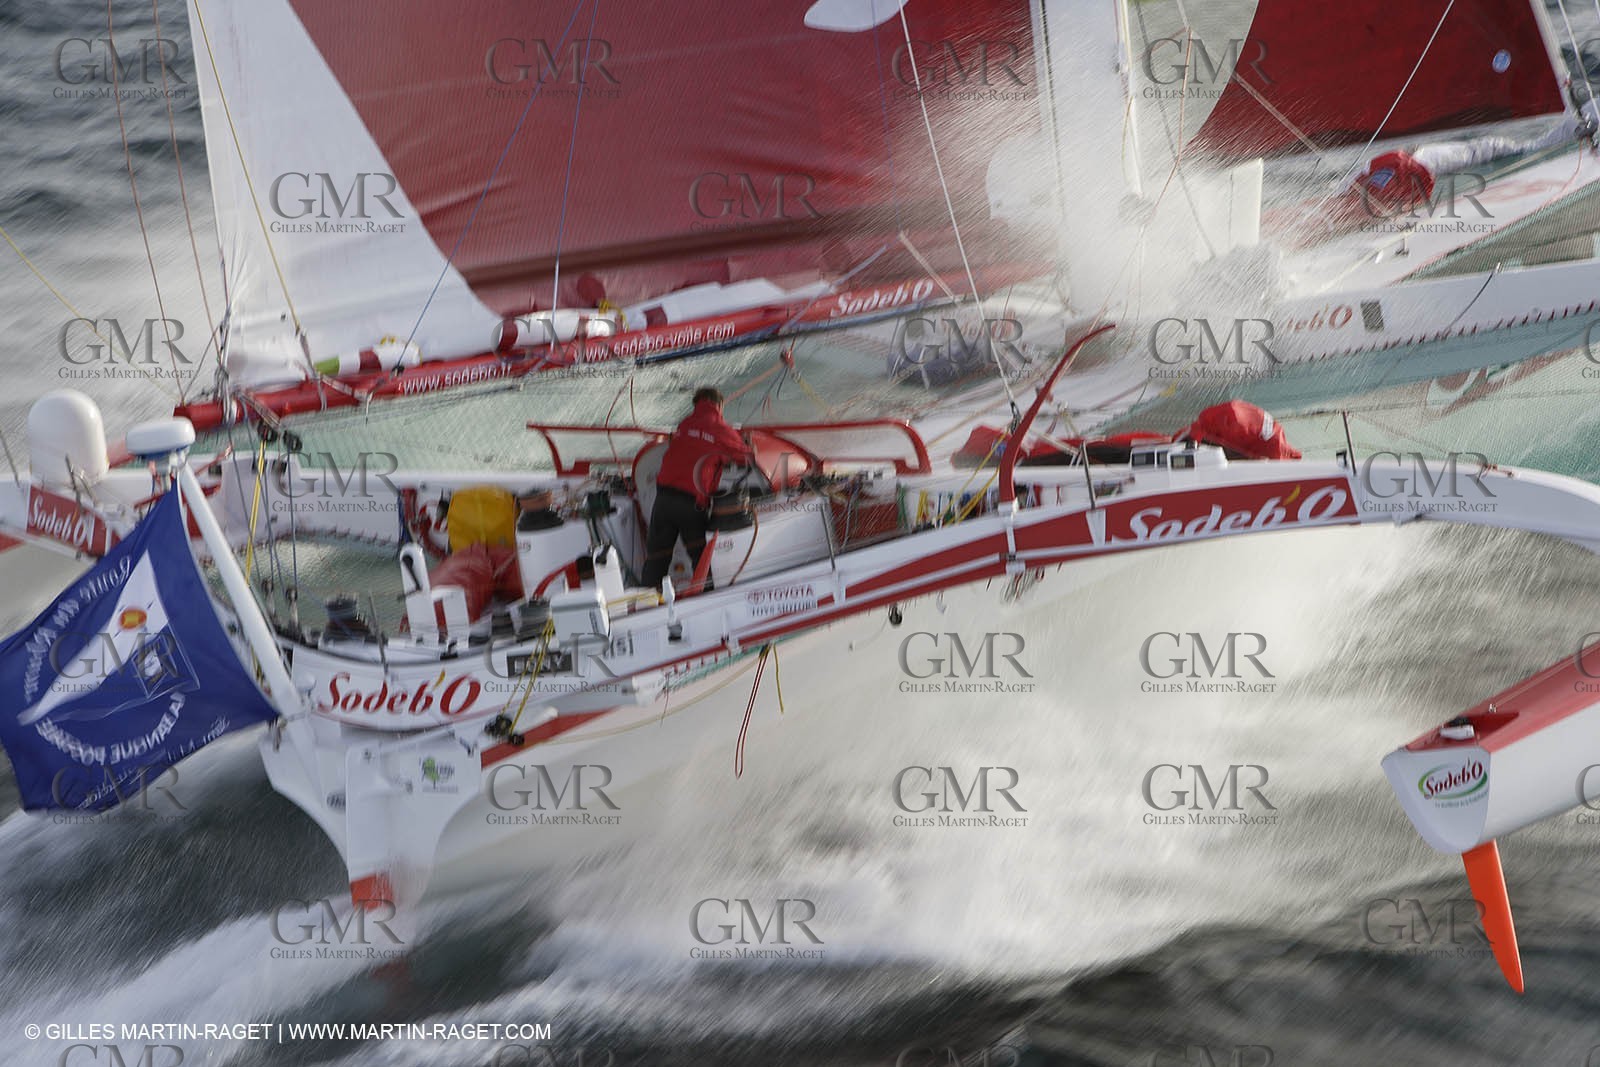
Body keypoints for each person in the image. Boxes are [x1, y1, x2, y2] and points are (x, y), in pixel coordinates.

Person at [641, 387, 754, 590]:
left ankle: (645, 602)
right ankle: (707, 597)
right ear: (719, 405)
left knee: (656, 558)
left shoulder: (684, 424)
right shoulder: (720, 427)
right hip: (689, 504)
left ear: (697, 404)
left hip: (663, 498)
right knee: (700, 557)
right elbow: (745, 457)